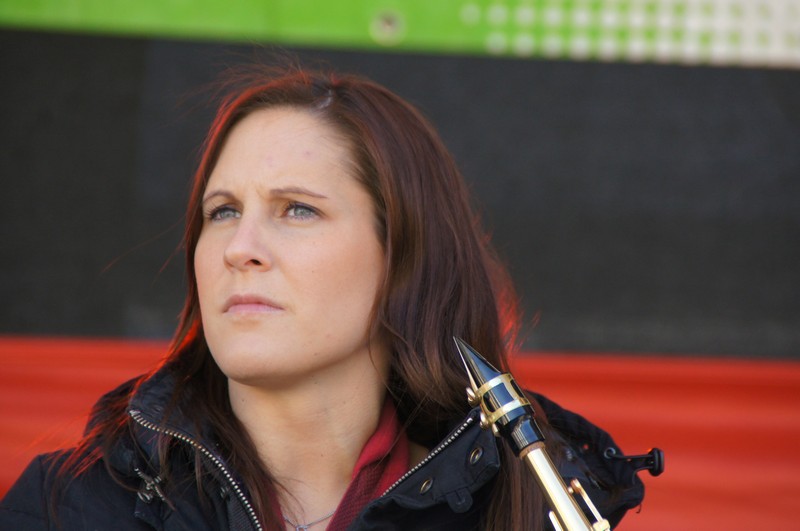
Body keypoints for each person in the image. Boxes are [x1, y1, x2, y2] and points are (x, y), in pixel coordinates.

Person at [0, 64, 645, 530]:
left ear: (403, 256)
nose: (239, 247)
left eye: (297, 209)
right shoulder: (63, 509)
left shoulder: (525, 508)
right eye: (222, 212)